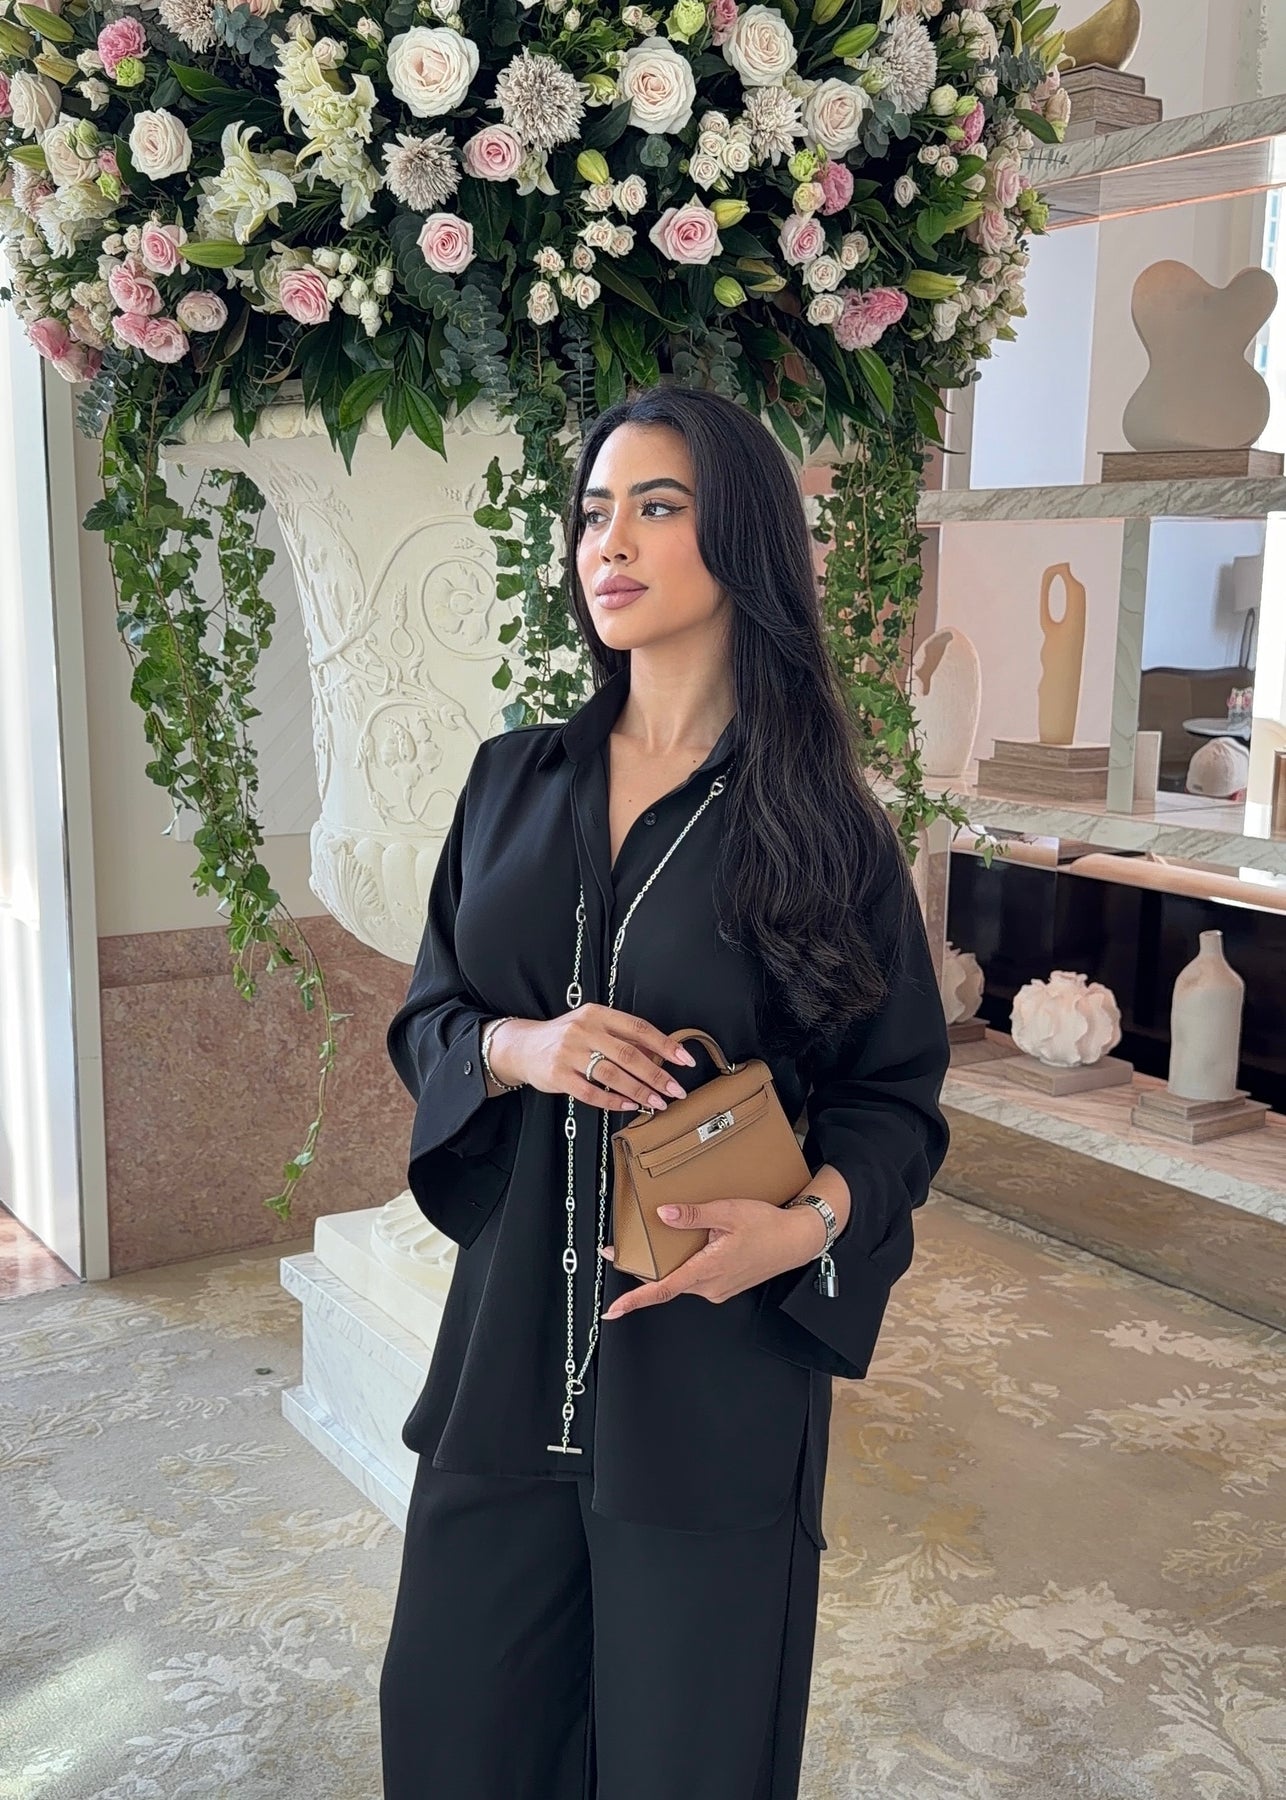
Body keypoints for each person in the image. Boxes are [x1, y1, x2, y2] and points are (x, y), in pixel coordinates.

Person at [378, 384, 952, 1799]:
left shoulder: (825, 825)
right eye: (592, 513)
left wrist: (807, 1226)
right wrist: (520, 1048)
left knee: (688, 1759)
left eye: (656, 507)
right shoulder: (512, 782)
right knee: (455, 1730)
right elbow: (429, 1019)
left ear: (738, 536)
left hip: (714, 1372)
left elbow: (894, 1099)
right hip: (507, 1360)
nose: (608, 544)